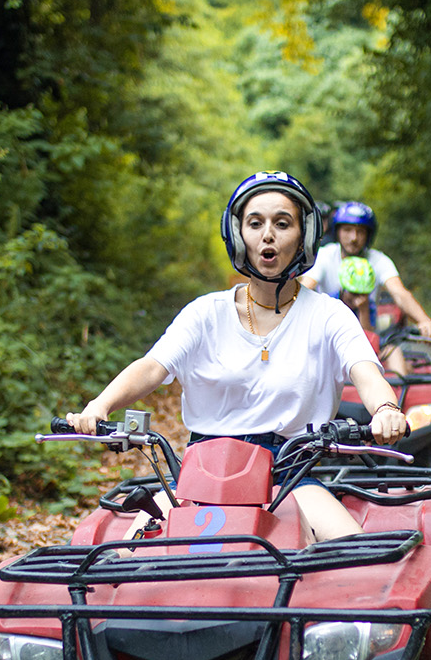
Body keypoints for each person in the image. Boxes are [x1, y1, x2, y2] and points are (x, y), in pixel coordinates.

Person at [65, 171, 407, 542]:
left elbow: (366, 372)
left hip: (287, 474)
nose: (268, 234)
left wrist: (386, 409)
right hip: (199, 478)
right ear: (238, 234)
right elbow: (152, 367)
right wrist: (99, 406)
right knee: (124, 562)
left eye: (283, 223)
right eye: (255, 223)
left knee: (354, 560)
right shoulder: (204, 312)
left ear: (304, 236)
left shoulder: (329, 315)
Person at [296, 201, 431, 376]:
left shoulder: (378, 260)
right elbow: (306, 286)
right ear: (338, 232)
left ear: (368, 235)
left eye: (360, 231)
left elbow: (399, 293)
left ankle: (396, 397)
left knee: (395, 356)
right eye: (347, 230)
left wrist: (424, 320)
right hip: (324, 338)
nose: (354, 237)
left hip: (368, 338)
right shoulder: (326, 256)